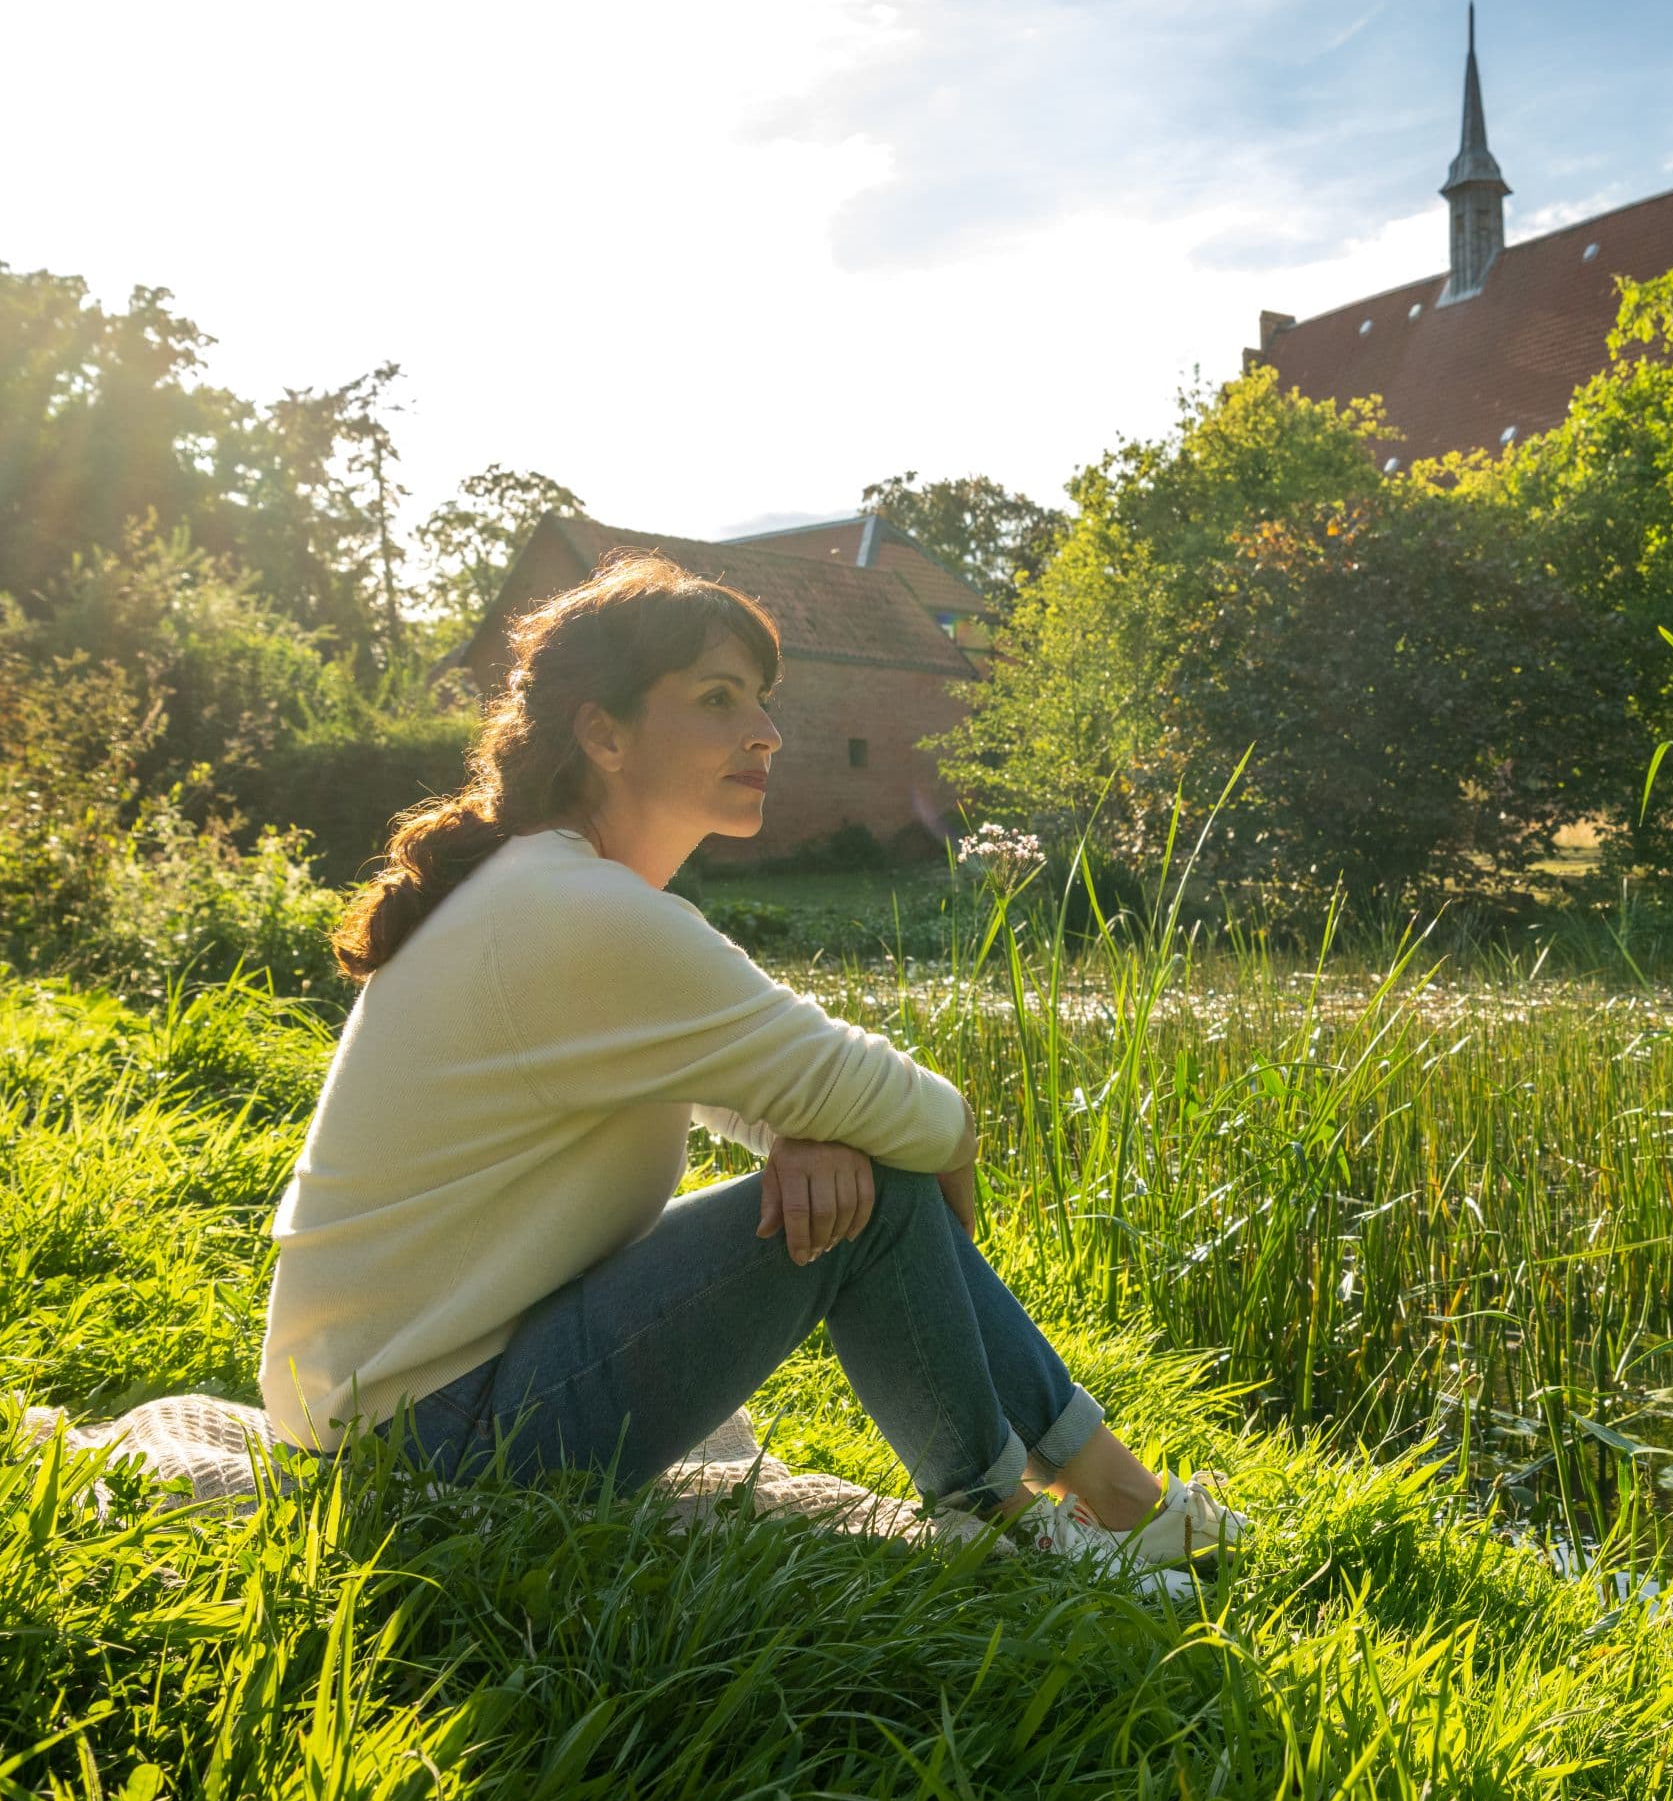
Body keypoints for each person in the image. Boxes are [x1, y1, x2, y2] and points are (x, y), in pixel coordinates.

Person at [257, 552, 1239, 1583]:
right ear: (604, 731)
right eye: (718, 700)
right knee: (885, 1187)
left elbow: (792, 1086)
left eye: (762, 701)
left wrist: (813, 1128)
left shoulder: (544, 892)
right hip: (433, 1450)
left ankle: (1104, 1502)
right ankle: (1029, 1520)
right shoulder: (584, 915)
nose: (764, 730)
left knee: (862, 1162)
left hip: (385, 1421)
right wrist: (881, 1160)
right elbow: (934, 1120)